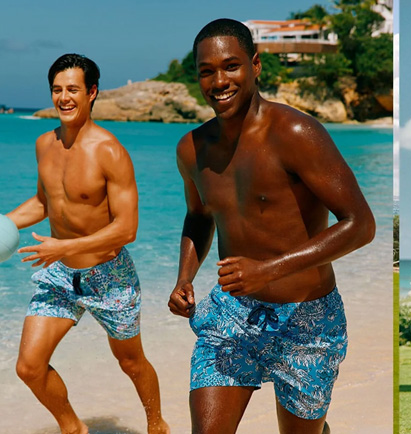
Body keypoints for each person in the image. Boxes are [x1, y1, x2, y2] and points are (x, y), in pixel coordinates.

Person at [166, 19, 376, 434]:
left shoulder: (296, 133)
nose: (219, 81)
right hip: (232, 316)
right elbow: (199, 215)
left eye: (231, 66)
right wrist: (184, 277)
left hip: (308, 319)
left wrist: (268, 269)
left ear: (255, 66)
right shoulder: (192, 149)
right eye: (206, 71)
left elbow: (360, 224)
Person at [6, 53, 169, 434]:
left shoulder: (110, 151)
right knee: (29, 366)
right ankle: (73, 428)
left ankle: (156, 424)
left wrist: (63, 247)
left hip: (109, 275)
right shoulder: (43, 143)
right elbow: (44, 203)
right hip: (59, 275)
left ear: (92, 92)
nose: (64, 98)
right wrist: (4, 224)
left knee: (130, 362)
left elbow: (127, 229)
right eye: (57, 90)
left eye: (73, 90)